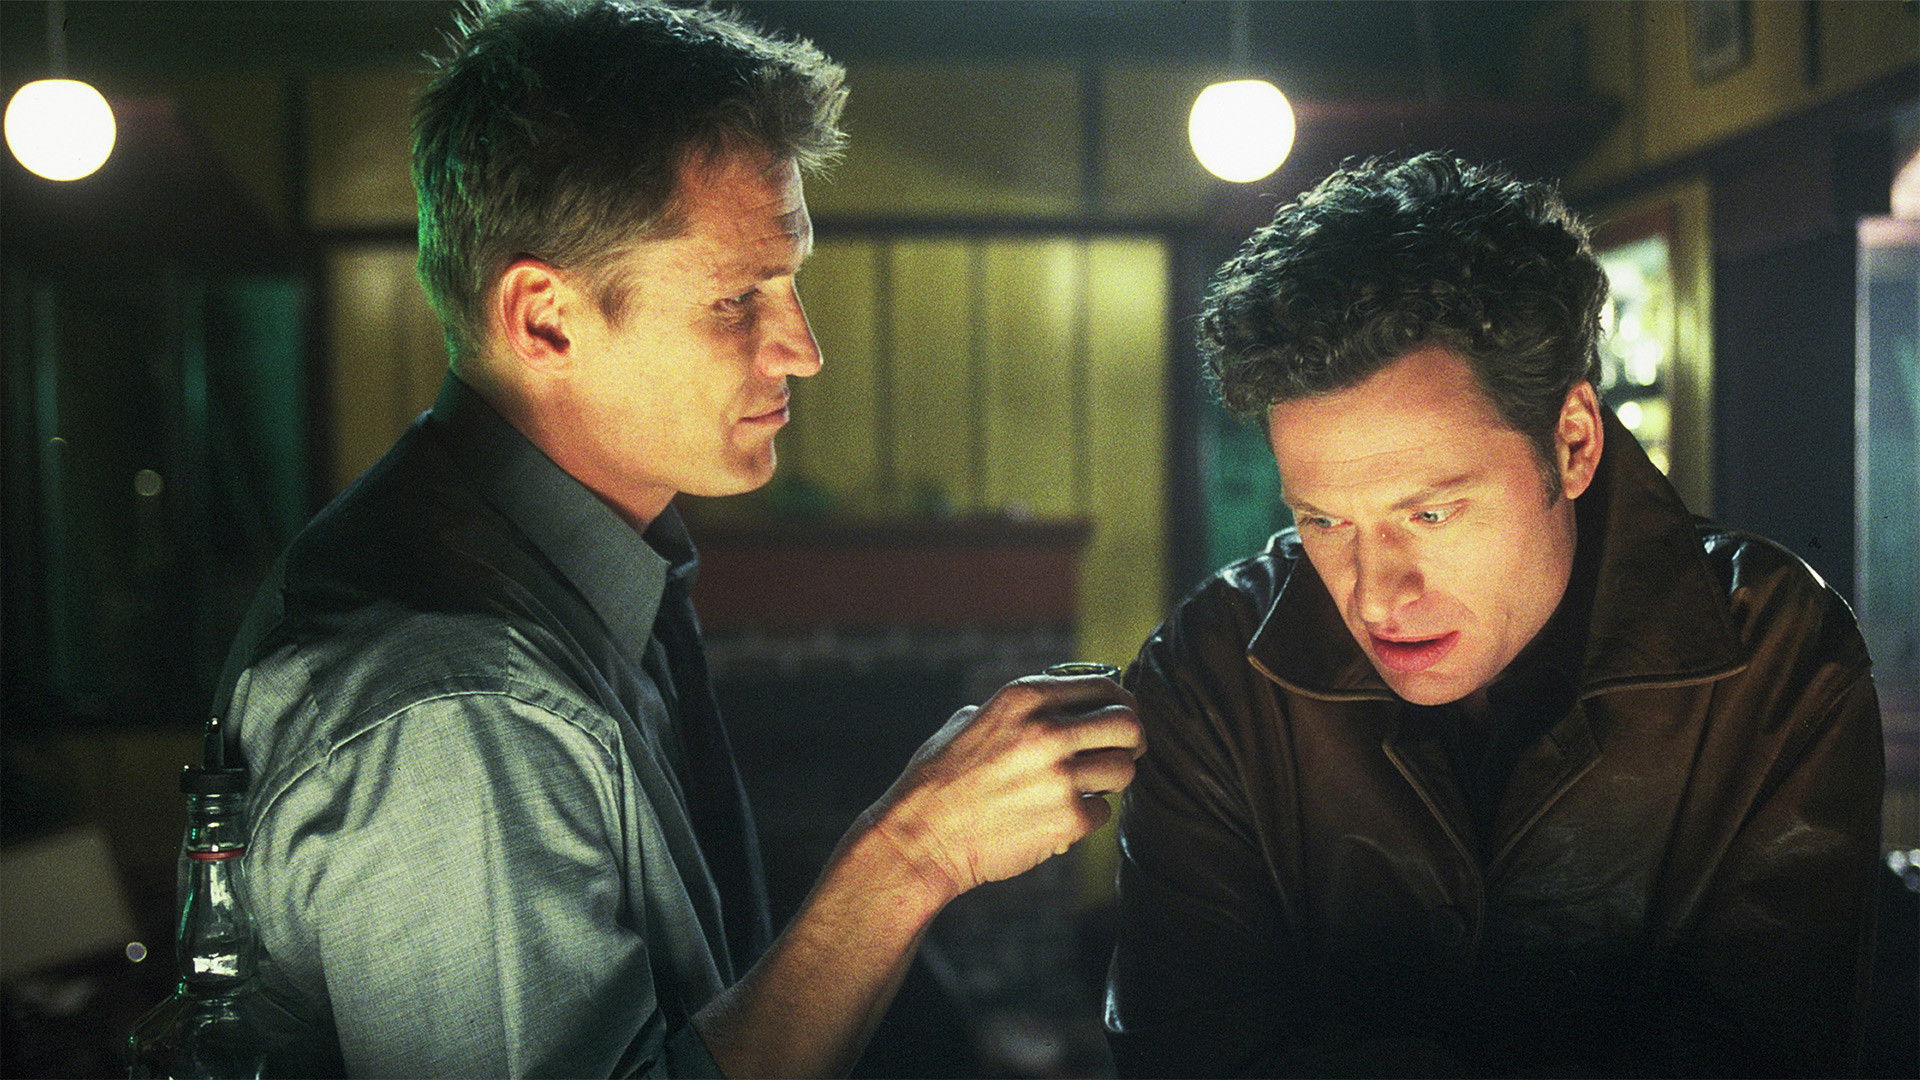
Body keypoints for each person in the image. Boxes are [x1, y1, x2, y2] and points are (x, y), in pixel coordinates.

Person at [216, 2, 1142, 1076]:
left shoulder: (590, 574)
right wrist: (915, 852)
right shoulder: (458, 701)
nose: (803, 349)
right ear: (544, 318)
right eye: (737, 298)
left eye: (792, 281)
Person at [1105, 153, 1884, 1078]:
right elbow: (1183, 1057)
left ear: (1574, 443)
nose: (1373, 595)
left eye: (1431, 515)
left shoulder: (1775, 656)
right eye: (1324, 522)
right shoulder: (1212, 672)